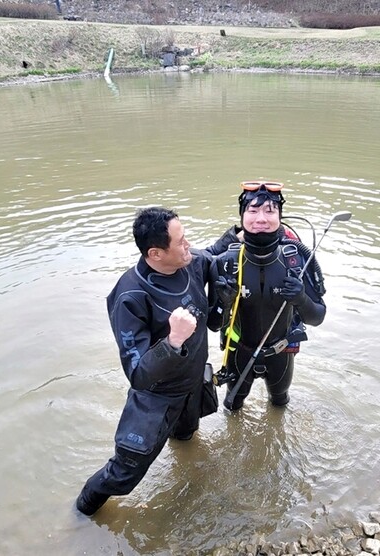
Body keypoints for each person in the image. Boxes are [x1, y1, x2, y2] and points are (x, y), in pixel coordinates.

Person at [76, 207, 236, 516]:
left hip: (192, 384)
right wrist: (173, 339)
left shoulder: (189, 263)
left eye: (185, 235)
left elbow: (213, 254)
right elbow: (138, 375)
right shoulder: (130, 296)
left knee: (187, 435)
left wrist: (237, 233)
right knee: (123, 476)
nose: (187, 244)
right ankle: (80, 515)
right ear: (156, 253)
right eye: (180, 240)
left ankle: (187, 471)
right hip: (157, 398)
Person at [211, 181, 326, 411]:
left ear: (279, 217)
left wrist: (301, 298)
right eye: (253, 211)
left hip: (280, 354)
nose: (261, 219)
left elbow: (317, 317)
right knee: (232, 407)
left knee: (280, 402)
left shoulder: (296, 261)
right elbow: (213, 324)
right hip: (238, 352)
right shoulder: (226, 262)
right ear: (242, 217)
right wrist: (224, 302)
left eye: (270, 211)